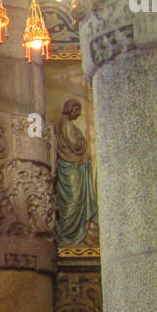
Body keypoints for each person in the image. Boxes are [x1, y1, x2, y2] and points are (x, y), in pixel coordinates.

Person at [54, 98, 98, 247]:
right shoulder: (66, 125)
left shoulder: (62, 124)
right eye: (77, 110)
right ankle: (69, 236)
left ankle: (74, 235)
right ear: (71, 109)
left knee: (73, 200)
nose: (79, 114)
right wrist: (82, 141)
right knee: (74, 199)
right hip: (71, 167)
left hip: (71, 164)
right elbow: (76, 144)